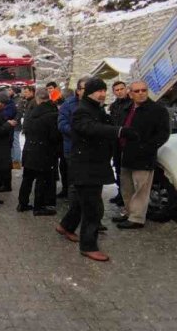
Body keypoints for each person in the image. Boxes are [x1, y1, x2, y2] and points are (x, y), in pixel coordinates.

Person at [56, 78, 133, 262]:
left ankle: (66, 226)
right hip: (86, 164)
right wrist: (118, 131)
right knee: (93, 208)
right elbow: (90, 128)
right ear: (89, 92)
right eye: (98, 91)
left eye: (104, 90)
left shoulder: (96, 108)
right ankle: (88, 246)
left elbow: (104, 125)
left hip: (94, 163)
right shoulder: (82, 110)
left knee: (82, 201)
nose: (102, 94)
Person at [113, 81, 169, 230]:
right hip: (126, 153)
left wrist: (147, 147)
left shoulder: (157, 110)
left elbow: (163, 134)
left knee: (141, 189)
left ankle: (137, 218)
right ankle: (129, 212)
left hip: (144, 156)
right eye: (137, 91)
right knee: (126, 187)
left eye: (143, 90)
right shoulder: (127, 108)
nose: (141, 93)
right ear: (130, 94)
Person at [19, 87, 62, 216]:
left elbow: (26, 129)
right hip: (44, 150)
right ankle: (39, 206)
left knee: (27, 178)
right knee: (42, 179)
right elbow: (54, 135)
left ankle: (22, 203)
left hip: (29, 148)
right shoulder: (52, 113)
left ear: (37, 99)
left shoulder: (31, 112)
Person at [58, 79, 87, 198]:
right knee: (75, 182)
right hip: (73, 148)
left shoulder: (96, 104)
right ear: (78, 90)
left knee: (89, 182)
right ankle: (75, 206)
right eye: (85, 88)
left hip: (91, 149)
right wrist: (78, 131)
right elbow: (62, 124)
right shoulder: (68, 105)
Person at [108, 81, 132, 207]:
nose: (119, 92)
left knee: (127, 169)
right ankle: (120, 193)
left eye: (121, 89)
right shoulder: (114, 106)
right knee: (118, 168)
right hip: (116, 141)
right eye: (116, 90)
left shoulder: (132, 104)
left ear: (126, 89)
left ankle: (127, 195)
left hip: (127, 141)